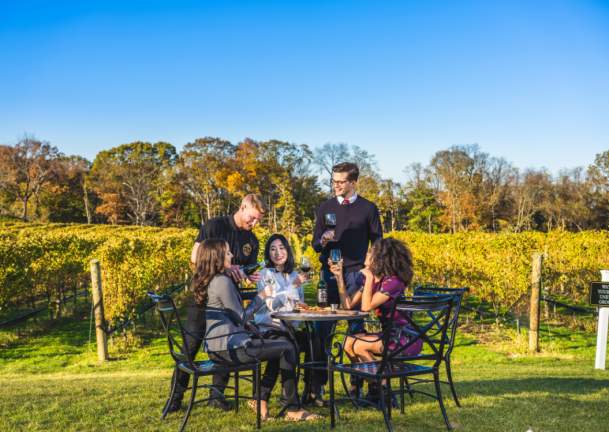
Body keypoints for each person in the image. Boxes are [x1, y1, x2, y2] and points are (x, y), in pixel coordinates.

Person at [197, 238, 318, 421]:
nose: (232, 255)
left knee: (285, 344)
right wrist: (260, 297)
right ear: (218, 257)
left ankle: (266, 400)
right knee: (287, 347)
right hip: (229, 348)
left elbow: (237, 318)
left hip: (223, 345)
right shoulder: (222, 281)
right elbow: (242, 318)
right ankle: (291, 408)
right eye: (228, 252)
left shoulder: (219, 280)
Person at [167, 194, 266, 413]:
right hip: (202, 296)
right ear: (242, 208)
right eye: (252, 218)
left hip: (229, 299)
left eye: (258, 220)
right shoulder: (215, 226)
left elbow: (245, 269)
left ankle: (217, 395)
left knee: (226, 341)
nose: (254, 224)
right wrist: (225, 268)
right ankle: (175, 397)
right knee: (190, 346)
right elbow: (195, 256)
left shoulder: (252, 241)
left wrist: (248, 276)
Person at [310, 162, 383, 404]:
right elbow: (315, 244)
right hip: (329, 277)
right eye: (334, 181)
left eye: (341, 182)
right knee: (321, 333)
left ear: (353, 182)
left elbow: (378, 244)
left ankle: (357, 387)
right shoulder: (325, 207)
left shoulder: (368, 209)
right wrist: (322, 239)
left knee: (356, 333)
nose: (336, 185)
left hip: (355, 278)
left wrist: (369, 270)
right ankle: (317, 388)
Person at [330, 238, 423, 404]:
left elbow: (366, 307)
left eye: (370, 252)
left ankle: (382, 390)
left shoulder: (393, 282)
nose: (366, 254)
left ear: (380, 257)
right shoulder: (374, 280)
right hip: (390, 336)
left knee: (357, 345)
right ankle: (378, 389)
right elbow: (348, 306)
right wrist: (339, 278)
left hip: (404, 339)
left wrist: (369, 277)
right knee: (347, 344)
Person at [253, 234, 322, 415]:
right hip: (269, 327)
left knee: (315, 339)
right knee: (286, 346)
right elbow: (271, 305)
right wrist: (293, 286)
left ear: (287, 250)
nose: (278, 253)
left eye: (282, 248)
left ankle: (311, 391)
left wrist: (302, 308)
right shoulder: (264, 273)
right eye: (273, 249)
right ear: (268, 253)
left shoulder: (292, 273)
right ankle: (291, 406)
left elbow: (295, 304)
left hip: (289, 327)